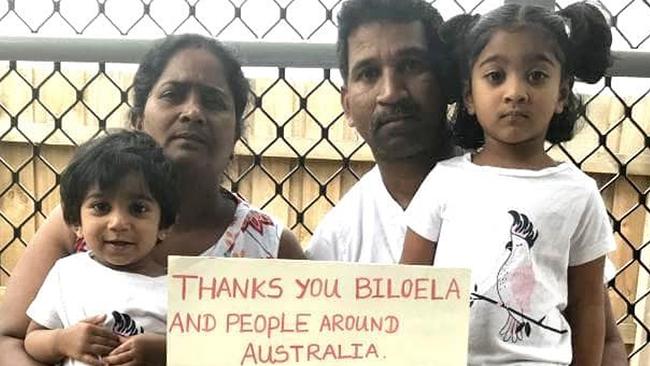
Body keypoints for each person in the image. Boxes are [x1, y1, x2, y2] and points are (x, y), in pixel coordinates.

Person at [306, 0, 628, 364]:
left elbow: (602, 337)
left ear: (449, 83)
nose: (390, 92)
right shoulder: (337, 240)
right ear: (346, 104)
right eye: (367, 73)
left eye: (412, 66)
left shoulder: (563, 193)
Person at [0, 34, 305, 366]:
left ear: (236, 133)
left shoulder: (270, 245)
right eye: (172, 94)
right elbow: (9, 339)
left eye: (214, 100)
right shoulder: (78, 224)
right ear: (138, 119)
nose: (192, 112)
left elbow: (303, 353)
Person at [400, 3, 615, 365]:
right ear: (469, 95)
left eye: (536, 76)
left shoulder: (579, 193)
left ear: (562, 93)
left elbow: (588, 304)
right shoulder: (445, 181)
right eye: (496, 76)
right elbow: (407, 287)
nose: (515, 92)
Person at [25, 130, 177, 366]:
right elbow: (32, 339)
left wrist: (164, 351)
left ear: (164, 225)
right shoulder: (67, 274)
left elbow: (206, 353)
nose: (118, 223)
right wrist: (62, 341)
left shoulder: (178, 288)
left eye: (138, 208)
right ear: (76, 222)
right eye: (101, 206)